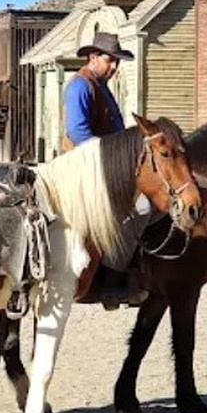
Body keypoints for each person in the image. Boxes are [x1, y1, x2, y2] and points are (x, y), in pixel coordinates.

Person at [63, 32, 148, 308]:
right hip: (88, 169)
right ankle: (112, 281)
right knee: (139, 210)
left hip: (107, 167)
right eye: (110, 61)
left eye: (117, 62)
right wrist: (115, 159)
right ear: (93, 57)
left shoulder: (101, 86)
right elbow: (78, 133)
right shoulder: (80, 86)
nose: (114, 67)